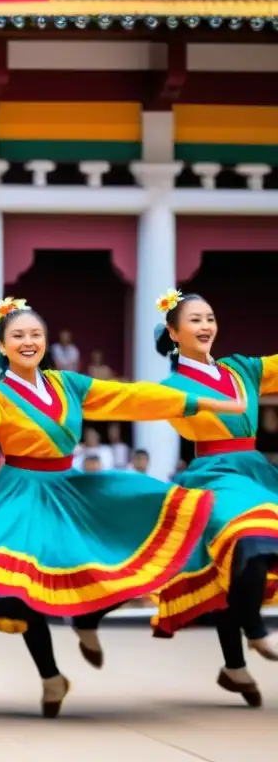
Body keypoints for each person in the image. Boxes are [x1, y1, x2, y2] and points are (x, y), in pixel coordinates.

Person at [0, 297, 245, 718]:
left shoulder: (69, 386)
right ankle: (50, 675)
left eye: (35, 335)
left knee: (101, 553)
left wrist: (204, 402)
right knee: (23, 586)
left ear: (46, 342)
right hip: (22, 494)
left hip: (67, 488)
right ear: (2, 346)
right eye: (18, 336)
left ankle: (86, 619)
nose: (28, 341)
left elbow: (131, 397)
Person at [148, 289, 278, 707]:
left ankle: (233, 666)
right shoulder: (171, 389)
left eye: (210, 318)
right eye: (195, 320)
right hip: (215, 476)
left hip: (254, 472)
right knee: (250, 541)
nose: (206, 326)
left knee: (238, 562)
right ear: (174, 331)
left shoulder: (243, 368)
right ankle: (254, 630)